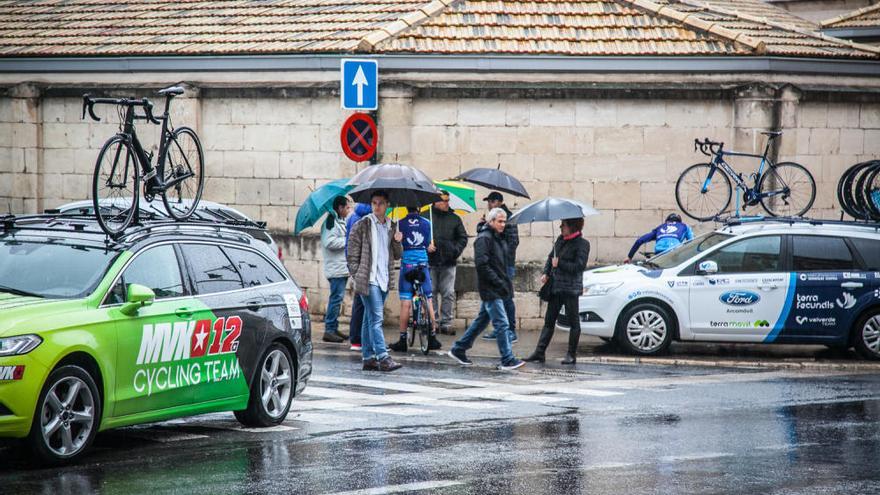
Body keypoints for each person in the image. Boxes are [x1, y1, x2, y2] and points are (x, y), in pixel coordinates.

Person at [448, 208, 525, 371]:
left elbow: (502, 264)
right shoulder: (484, 239)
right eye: (500, 221)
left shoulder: (498, 238)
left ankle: (459, 348)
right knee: (502, 324)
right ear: (491, 222)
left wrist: (505, 284)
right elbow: (482, 265)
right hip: (490, 288)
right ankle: (507, 358)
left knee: (481, 321)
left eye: (504, 221)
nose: (503, 224)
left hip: (499, 286)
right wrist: (498, 282)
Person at [347, 190, 403, 372]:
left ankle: (368, 358)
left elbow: (397, 255)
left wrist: (398, 241)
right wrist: (357, 274)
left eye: (380, 203)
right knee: (377, 318)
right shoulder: (362, 224)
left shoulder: (391, 226)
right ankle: (383, 357)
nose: (377, 206)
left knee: (368, 318)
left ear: (387, 205)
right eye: (374, 203)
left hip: (384, 278)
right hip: (368, 279)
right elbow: (351, 251)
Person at [524, 218, 590, 365]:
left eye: (563, 225)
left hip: (571, 289)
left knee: (574, 323)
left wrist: (560, 263)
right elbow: (550, 257)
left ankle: (571, 355)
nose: (561, 227)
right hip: (556, 287)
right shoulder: (560, 239)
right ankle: (539, 353)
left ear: (572, 226)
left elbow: (579, 266)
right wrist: (546, 272)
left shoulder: (583, 244)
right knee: (549, 322)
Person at [390, 206, 442, 352]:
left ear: (407, 208)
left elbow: (397, 247)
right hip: (422, 265)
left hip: (407, 266)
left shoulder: (400, 223)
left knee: (405, 303)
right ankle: (432, 337)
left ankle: (402, 340)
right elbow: (428, 245)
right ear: (419, 208)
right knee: (429, 300)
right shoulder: (427, 223)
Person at [479, 192, 519, 344]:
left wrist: (500, 257)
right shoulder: (491, 220)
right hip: (495, 265)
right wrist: (483, 224)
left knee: (506, 297)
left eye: (490, 201)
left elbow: (513, 242)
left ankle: (511, 331)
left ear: (497, 202)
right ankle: (500, 329)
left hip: (505, 265)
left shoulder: (507, 218)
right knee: (494, 299)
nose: (488, 204)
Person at [428, 190, 468, 335]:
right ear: (435, 202)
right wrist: (427, 245)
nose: (447, 203)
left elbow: (463, 238)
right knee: (430, 292)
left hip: (448, 262)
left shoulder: (455, 219)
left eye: (448, 200)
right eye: (444, 200)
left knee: (448, 293)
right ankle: (433, 321)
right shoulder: (427, 217)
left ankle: (446, 321)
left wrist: (455, 251)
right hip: (430, 261)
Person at [320, 196, 351, 343]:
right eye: (346, 207)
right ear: (339, 208)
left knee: (337, 299)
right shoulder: (331, 222)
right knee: (335, 298)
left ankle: (333, 326)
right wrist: (347, 241)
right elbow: (329, 242)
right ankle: (329, 330)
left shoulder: (339, 221)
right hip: (336, 267)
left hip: (341, 266)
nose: (348, 210)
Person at [346, 202, 372, 352]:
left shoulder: (352, 217)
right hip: (363, 266)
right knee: (362, 303)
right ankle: (357, 339)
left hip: (356, 265)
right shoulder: (365, 219)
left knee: (360, 303)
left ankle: (357, 339)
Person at [625, 213, 693, 263]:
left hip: (659, 253)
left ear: (667, 221)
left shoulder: (660, 227)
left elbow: (640, 240)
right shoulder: (685, 226)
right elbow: (692, 242)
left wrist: (629, 257)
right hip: (675, 252)